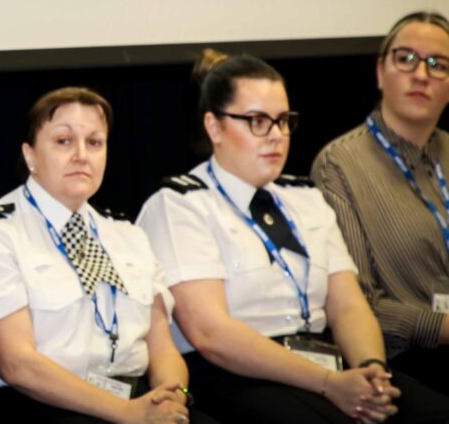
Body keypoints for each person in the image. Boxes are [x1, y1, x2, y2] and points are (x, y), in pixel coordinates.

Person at [136, 50, 449, 424]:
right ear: (214, 127)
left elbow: (348, 305)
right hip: (236, 374)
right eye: (257, 121)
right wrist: (330, 383)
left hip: (326, 362)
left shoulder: (305, 198)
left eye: (284, 121)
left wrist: (371, 372)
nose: (277, 136)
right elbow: (210, 333)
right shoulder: (180, 205)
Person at [0, 87, 211, 424]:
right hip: (35, 407)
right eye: (64, 141)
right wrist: (129, 414)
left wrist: (170, 396)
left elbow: (162, 346)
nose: (82, 155)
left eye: (95, 142)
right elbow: (16, 365)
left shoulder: (129, 235)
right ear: (29, 155)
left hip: (134, 399)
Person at [312, 11, 449, 393]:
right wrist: (442, 327)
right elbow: (358, 302)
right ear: (379, 72)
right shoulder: (338, 165)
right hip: (404, 361)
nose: (421, 74)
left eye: (439, 65)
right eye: (406, 59)